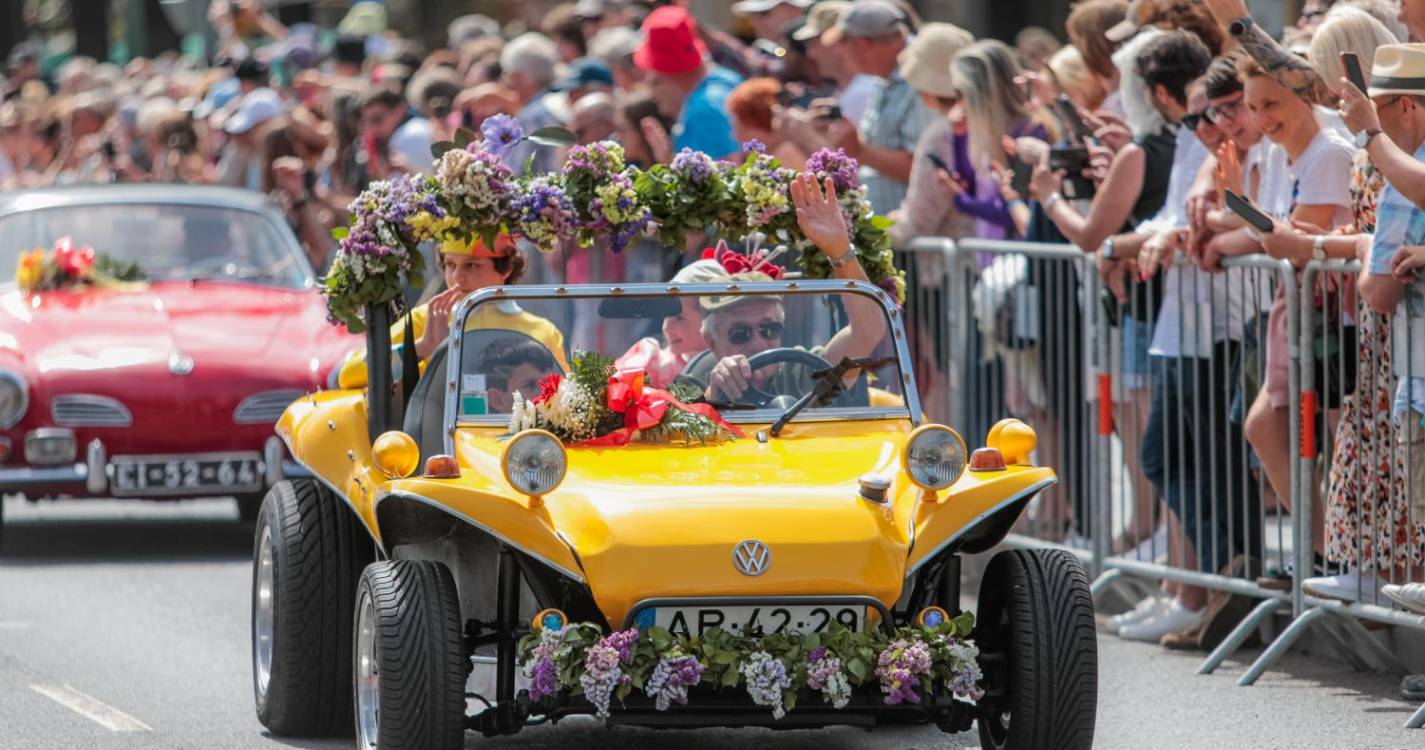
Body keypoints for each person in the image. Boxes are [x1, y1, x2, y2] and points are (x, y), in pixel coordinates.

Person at [685, 173, 886, 404]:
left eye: (769, 329)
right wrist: (713, 396)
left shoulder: (800, 370)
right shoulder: (697, 379)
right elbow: (673, 430)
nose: (759, 343)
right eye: (740, 334)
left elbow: (867, 333)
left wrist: (839, 249)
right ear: (712, 341)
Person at [336, 234, 569, 390]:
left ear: (507, 268)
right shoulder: (425, 319)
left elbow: (562, 401)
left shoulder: (541, 332)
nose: (457, 277)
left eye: (472, 265)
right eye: (450, 265)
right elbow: (349, 374)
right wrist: (422, 348)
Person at [818, 0, 924, 214]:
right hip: (898, 236)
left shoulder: (920, 77)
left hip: (919, 241)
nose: (841, 52)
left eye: (843, 44)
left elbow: (924, 167)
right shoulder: (883, 78)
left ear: (863, 44)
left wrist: (860, 151)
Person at [886, 22, 978, 245]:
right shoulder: (990, 121)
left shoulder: (942, 134)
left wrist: (860, 232)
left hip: (956, 270)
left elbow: (917, 223)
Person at [635, 5, 744, 161]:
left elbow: (726, 177)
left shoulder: (704, 111)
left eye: (655, 82)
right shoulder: (727, 78)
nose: (652, 94)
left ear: (672, 73)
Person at [615, 258, 726, 387]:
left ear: (712, 320)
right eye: (666, 314)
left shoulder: (737, 364)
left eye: (679, 318)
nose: (666, 327)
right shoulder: (652, 364)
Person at [726, 78, 806, 169]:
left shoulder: (786, 155)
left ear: (761, 123)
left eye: (741, 128)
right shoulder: (782, 151)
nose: (736, 136)